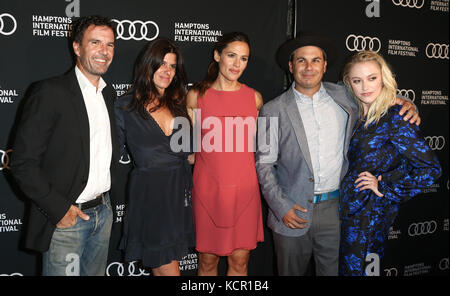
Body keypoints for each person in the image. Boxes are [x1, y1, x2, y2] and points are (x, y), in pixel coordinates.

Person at [255, 31, 420, 276]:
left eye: (315, 60)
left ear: (324, 66)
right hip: (291, 212)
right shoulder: (272, 110)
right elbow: (264, 164)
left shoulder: (344, 95)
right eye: (301, 60)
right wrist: (281, 207)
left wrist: (408, 103)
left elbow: (378, 96)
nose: (308, 67)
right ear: (291, 66)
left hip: (337, 210)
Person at [10, 15, 118, 276]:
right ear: (77, 47)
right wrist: (58, 210)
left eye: (110, 45)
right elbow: (22, 163)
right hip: (67, 221)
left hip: (102, 214)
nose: (104, 51)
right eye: (95, 43)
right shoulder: (49, 92)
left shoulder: (108, 93)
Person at [338, 51, 441, 276]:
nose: (365, 86)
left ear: (383, 77)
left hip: (370, 219)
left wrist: (383, 186)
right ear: (349, 84)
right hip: (348, 215)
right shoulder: (358, 115)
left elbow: (431, 169)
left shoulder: (396, 117)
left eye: (372, 78)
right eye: (357, 80)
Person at [115, 37, 195, 276]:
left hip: (179, 192)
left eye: (172, 66)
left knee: (164, 265)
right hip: (151, 194)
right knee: (167, 265)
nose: (167, 71)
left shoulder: (180, 104)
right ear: (148, 65)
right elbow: (109, 153)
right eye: (161, 64)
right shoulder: (125, 106)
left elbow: (190, 155)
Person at [187, 32, 264, 276]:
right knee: (207, 264)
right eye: (231, 56)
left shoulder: (255, 98)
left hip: (244, 192)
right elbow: (188, 146)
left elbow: (259, 148)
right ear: (217, 55)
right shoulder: (196, 97)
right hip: (208, 191)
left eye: (243, 58)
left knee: (240, 264)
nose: (237, 64)